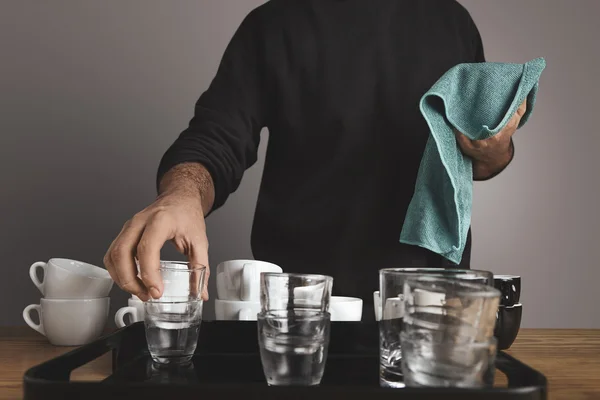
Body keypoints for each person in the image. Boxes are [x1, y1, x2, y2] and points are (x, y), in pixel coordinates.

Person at [103, 0, 527, 313]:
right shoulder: (273, 24)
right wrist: (181, 196)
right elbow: (217, 137)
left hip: (433, 304)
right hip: (300, 306)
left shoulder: (453, 22)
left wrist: (494, 149)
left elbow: (476, 159)